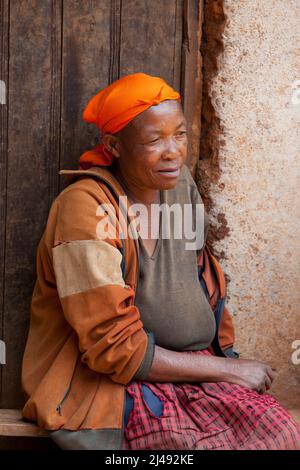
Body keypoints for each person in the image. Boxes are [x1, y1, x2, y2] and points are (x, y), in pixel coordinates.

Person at [21, 73, 300, 450]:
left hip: (194, 370)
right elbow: (112, 349)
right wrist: (227, 370)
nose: (173, 151)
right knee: (179, 446)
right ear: (114, 145)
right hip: (118, 383)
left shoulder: (179, 186)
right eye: (154, 139)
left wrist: (223, 358)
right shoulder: (86, 209)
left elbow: (199, 277)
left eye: (180, 134)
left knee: (279, 432)